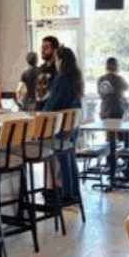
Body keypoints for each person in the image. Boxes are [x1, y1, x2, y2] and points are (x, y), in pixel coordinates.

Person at [43, 46, 84, 202]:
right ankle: (73, 191)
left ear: (61, 60)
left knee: (63, 157)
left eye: (57, 59)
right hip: (72, 126)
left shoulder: (61, 79)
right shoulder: (76, 77)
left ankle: (65, 194)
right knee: (70, 156)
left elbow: (51, 104)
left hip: (61, 128)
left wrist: (42, 114)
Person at [36, 35, 60, 107]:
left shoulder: (59, 69)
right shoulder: (41, 68)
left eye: (46, 47)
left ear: (55, 50)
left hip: (53, 112)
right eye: (42, 47)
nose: (42, 50)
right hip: (40, 111)